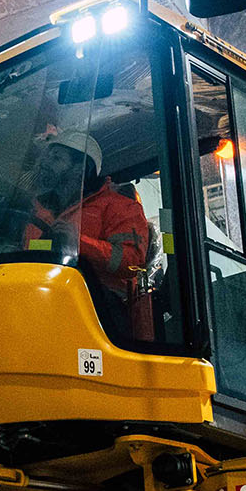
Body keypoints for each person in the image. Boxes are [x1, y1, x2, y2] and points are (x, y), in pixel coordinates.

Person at [23, 128, 155, 339]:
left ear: (80, 168)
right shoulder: (37, 209)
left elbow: (133, 262)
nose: (45, 164)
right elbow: (28, 251)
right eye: (47, 156)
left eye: (56, 158)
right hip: (39, 301)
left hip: (102, 310)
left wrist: (78, 244)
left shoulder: (119, 207)